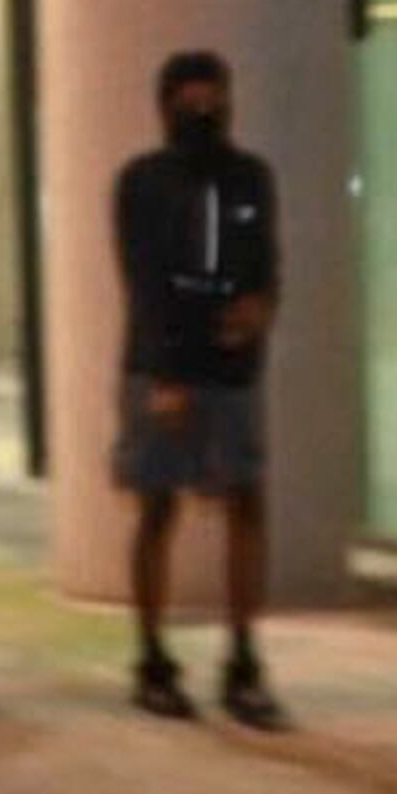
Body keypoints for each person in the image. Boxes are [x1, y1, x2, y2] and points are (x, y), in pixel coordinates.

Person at [112, 47, 290, 731]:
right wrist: (164, 376)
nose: (204, 110)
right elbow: (142, 280)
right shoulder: (142, 180)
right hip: (161, 370)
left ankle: (243, 660)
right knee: (158, 509)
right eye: (189, 101)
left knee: (246, 504)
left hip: (233, 369)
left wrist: (260, 308)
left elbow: (266, 261)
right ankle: (152, 661)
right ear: (165, 107)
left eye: (214, 98)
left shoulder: (252, 176)